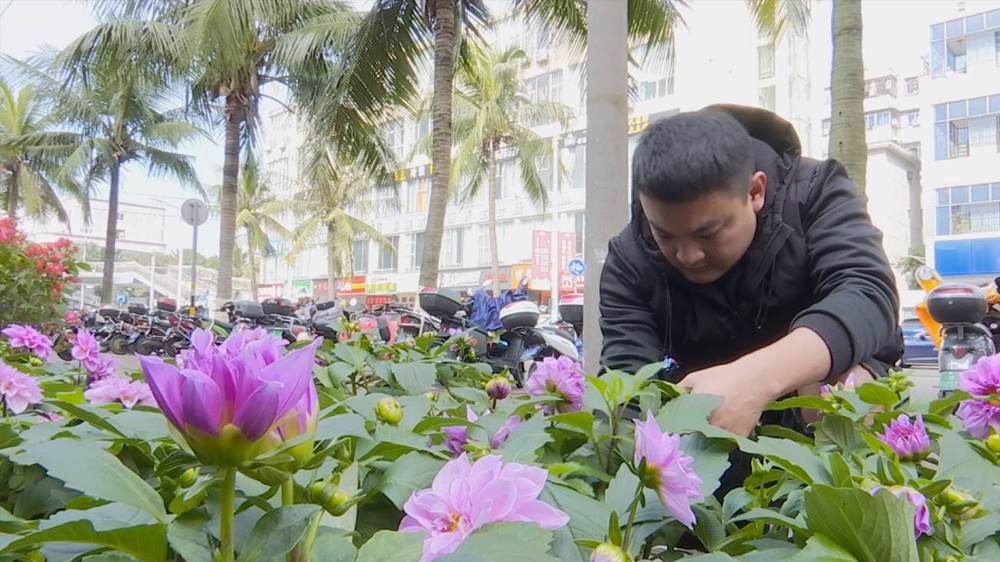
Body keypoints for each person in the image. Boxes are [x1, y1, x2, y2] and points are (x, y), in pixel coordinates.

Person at [599, 105, 903, 438]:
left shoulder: (812, 192)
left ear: (756, 191)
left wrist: (755, 378)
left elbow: (866, 292)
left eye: (708, 233)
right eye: (665, 235)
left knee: (845, 394)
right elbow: (627, 380)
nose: (688, 255)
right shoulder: (631, 256)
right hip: (698, 411)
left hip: (806, 379)